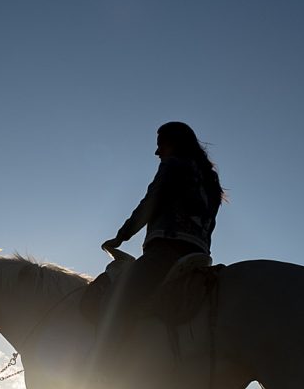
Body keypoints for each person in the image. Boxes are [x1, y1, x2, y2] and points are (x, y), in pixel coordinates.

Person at [95, 122, 225, 368]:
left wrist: (121, 237)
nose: (157, 153)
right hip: (198, 255)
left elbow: (151, 202)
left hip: (166, 251)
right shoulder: (210, 179)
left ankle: (106, 370)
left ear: (174, 143)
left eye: (160, 145)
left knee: (116, 302)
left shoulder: (174, 164)